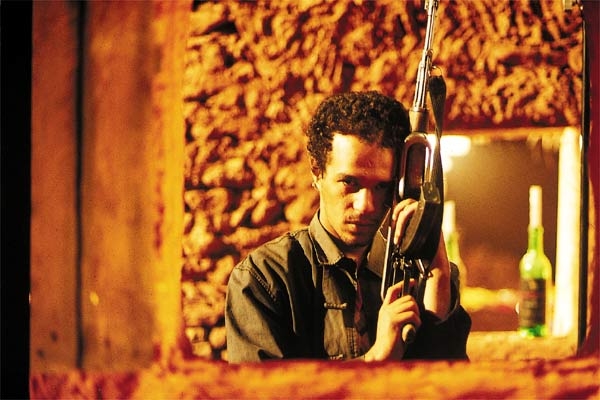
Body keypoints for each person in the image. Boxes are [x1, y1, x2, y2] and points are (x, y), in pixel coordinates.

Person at [225, 91, 471, 362]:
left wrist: (439, 272)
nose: (366, 205)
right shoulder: (265, 278)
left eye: (382, 186)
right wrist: (376, 359)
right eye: (350, 183)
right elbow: (260, 386)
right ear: (317, 172)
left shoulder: (417, 273)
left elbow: (450, 380)